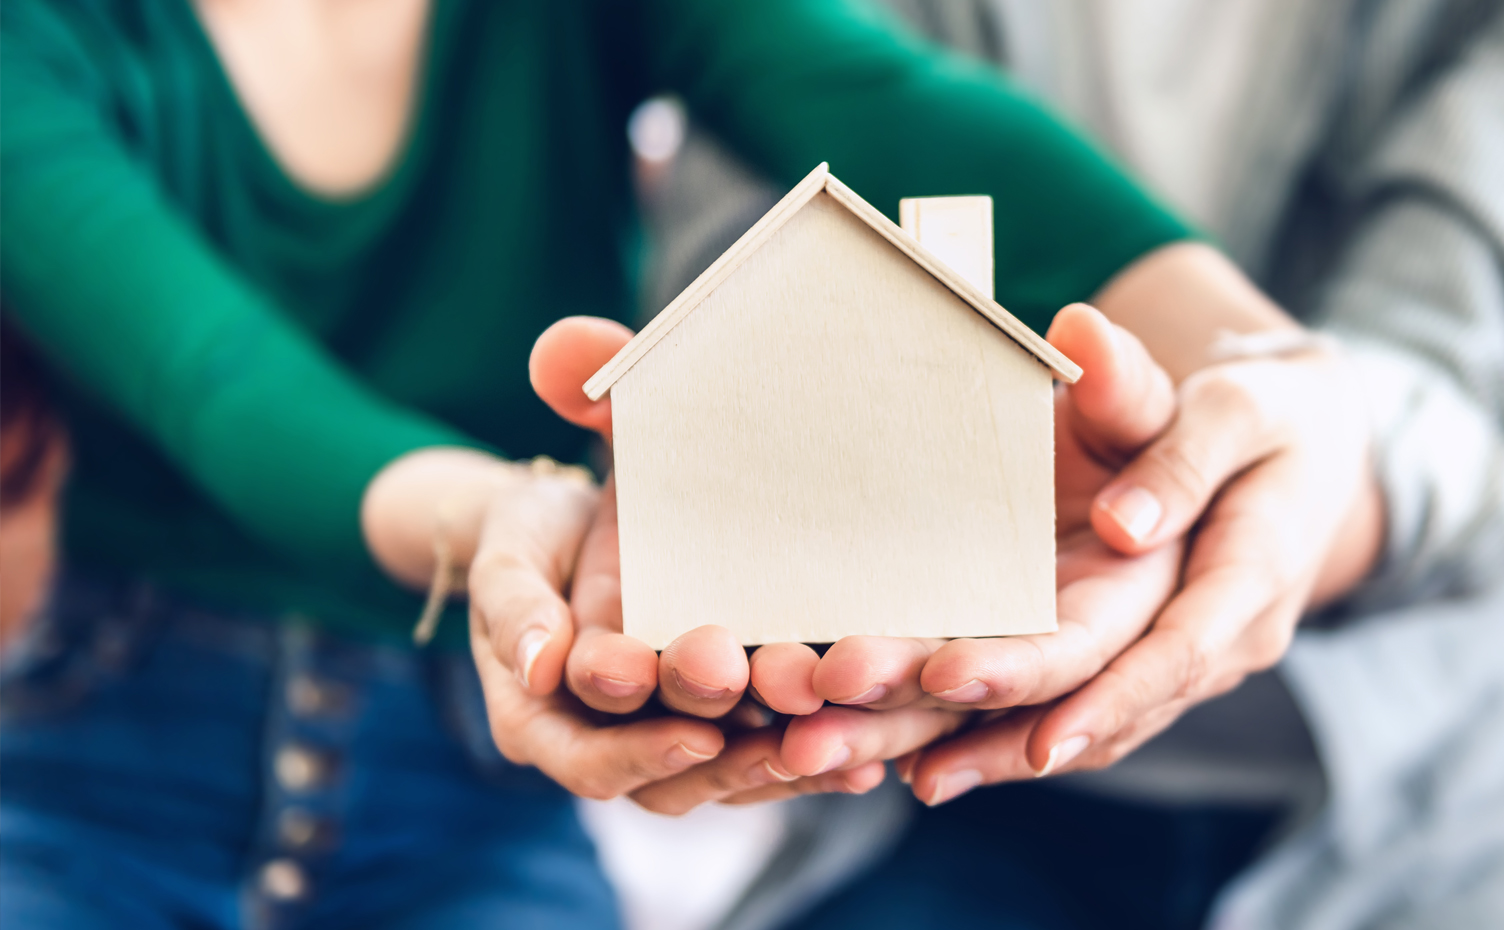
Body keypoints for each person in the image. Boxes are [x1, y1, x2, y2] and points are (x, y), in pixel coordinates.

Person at [1, 0, 1381, 925]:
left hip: (472, 782)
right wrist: (514, 523)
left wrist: (1271, 364)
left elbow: (897, 105)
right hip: (108, 755)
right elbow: (217, 383)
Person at [592, 1, 1504, 928]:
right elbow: (764, 257)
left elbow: (1468, 365)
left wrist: (1296, 461)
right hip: (958, 796)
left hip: (1452, 779)